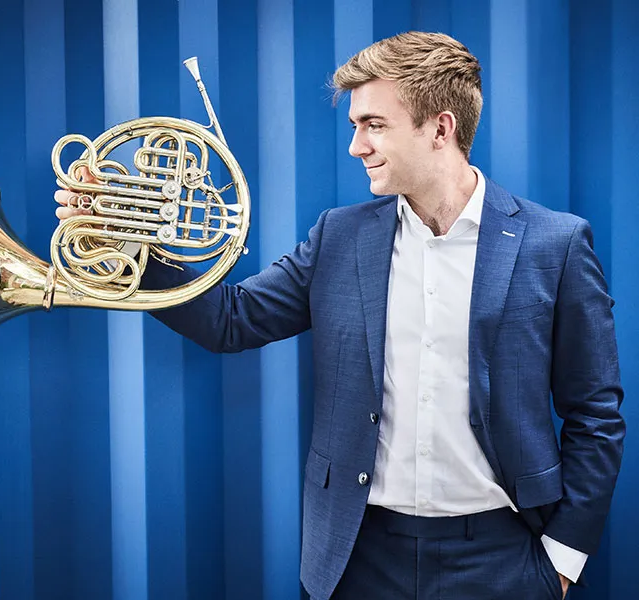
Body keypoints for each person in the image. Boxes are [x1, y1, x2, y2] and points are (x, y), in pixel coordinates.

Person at [55, 31, 624, 600]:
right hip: (356, 558)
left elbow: (594, 411)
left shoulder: (556, 244)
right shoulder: (339, 236)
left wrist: (562, 561)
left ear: (441, 129)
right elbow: (230, 319)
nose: (356, 145)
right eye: (356, 125)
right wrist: (124, 240)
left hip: (504, 559)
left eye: (374, 124)